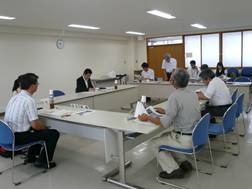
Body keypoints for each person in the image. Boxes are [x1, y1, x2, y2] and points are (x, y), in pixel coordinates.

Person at [138, 69, 201, 179]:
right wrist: (166, 111)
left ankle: (173, 170)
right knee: (166, 137)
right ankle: (184, 162)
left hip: (184, 139)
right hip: (196, 136)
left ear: (174, 82)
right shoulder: (193, 94)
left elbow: (164, 123)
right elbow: (183, 111)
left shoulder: (174, 96)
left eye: (171, 78)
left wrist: (147, 117)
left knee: (153, 143)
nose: (170, 79)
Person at [4, 73, 60, 169]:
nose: (38, 85)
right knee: (53, 133)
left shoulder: (14, 97)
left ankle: (31, 157)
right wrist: (45, 127)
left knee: (38, 131)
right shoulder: (29, 100)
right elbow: (35, 125)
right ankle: (43, 161)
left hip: (7, 135)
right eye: (37, 83)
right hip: (18, 137)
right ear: (32, 85)